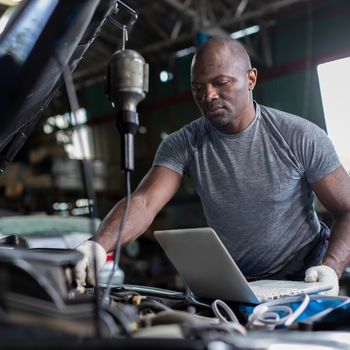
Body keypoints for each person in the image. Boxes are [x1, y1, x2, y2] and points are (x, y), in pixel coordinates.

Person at [75, 38, 350, 295]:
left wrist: (331, 268)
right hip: (236, 280)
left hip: (306, 273)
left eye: (221, 83)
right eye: (198, 88)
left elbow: (347, 209)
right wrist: (98, 245)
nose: (208, 96)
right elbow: (145, 202)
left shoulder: (299, 136)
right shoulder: (184, 143)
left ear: (250, 79)